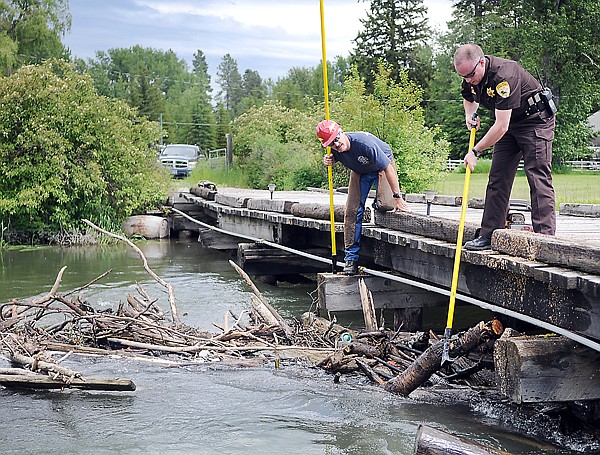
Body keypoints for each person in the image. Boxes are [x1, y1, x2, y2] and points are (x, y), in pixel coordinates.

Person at [454, 44, 557, 251]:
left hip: (535, 120)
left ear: (481, 62)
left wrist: (475, 151)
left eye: (470, 75)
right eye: (463, 77)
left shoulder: (504, 76)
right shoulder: (471, 75)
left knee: (537, 176)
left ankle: (545, 240)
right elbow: (469, 96)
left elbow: (501, 126)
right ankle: (489, 233)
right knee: (498, 177)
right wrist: (469, 115)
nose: (467, 80)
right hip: (510, 122)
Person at [316, 120, 411, 275]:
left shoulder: (364, 143)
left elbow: (387, 167)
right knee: (352, 212)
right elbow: (333, 158)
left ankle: (378, 201)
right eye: (332, 144)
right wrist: (328, 160)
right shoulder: (335, 150)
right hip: (360, 172)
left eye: (337, 140)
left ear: (342, 132)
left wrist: (397, 197)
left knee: (386, 205)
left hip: (382, 166)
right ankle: (351, 259)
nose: (337, 145)